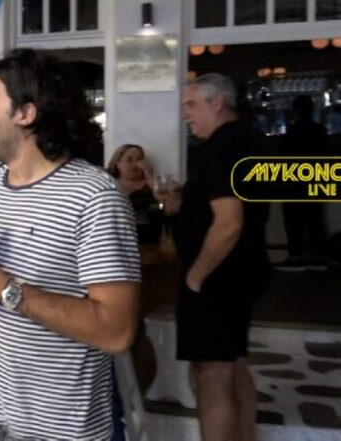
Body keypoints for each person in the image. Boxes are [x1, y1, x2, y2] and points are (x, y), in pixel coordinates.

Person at [0, 49, 141, 441]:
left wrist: (7, 291)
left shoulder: (95, 196)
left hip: (55, 427)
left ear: (26, 113)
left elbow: (117, 330)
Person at [161, 73, 270, 441]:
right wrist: (185, 203)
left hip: (218, 279)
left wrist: (196, 277)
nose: (185, 114)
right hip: (239, 273)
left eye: (191, 104)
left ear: (217, 103)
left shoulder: (225, 146)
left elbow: (228, 223)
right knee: (232, 366)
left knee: (212, 375)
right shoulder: (246, 138)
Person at [277, 94, 330, 270]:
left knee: (294, 220)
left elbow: (283, 156)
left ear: (295, 111)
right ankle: (318, 255)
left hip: (294, 181)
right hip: (316, 179)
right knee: (315, 218)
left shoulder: (293, 131)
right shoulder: (320, 130)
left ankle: (297, 255)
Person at [106, 144, 164, 245]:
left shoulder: (152, 182)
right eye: (129, 160)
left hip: (146, 236)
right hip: (113, 235)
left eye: (139, 160)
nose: (135, 164)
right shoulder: (108, 182)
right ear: (117, 163)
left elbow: (164, 203)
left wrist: (150, 175)